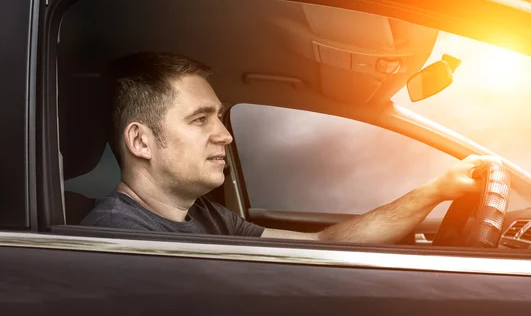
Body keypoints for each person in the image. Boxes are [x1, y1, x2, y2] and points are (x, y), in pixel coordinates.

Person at [81, 52, 501, 244]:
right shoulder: (118, 242)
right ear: (140, 140)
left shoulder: (204, 216)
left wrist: (435, 191)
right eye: (200, 119)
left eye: (220, 118)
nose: (225, 136)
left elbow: (322, 242)